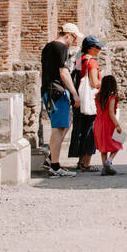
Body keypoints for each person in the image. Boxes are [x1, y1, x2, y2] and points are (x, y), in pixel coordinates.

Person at [40, 23, 81, 177]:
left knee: (64, 125)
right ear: (69, 35)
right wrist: (74, 94)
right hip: (57, 91)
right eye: (75, 38)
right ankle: (55, 166)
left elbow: (43, 71)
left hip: (48, 90)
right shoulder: (62, 48)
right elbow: (63, 72)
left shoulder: (48, 47)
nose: (74, 42)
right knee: (59, 128)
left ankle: (52, 160)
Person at [69, 35, 104, 173]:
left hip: (80, 100)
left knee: (81, 130)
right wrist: (105, 81)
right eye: (97, 47)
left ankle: (80, 161)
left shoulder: (79, 59)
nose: (100, 49)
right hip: (90, 101)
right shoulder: (92, 63)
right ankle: (86, 163)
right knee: (90, 131)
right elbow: (94, 83)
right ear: (90, 48)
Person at [94, 74, 126, 175]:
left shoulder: (97, 96)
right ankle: (109, 161)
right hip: (109, 123)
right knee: (118, 142)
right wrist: (117, 125)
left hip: (98, 123)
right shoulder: (111, 98)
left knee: (103, 147)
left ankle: (104, 167)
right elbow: (111, 113)